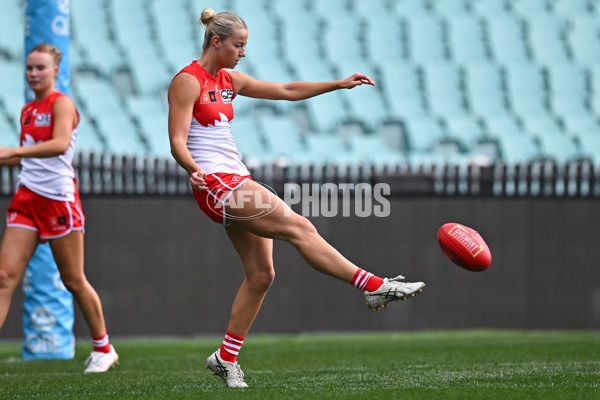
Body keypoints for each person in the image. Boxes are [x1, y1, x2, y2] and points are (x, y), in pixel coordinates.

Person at [168, 8, 425, 388]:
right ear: (216, 41)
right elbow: (176, 140)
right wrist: (193, 168)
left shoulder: (229, 80)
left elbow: (286, 91)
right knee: (299, 225)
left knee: (261, 275)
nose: (243, 52)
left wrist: (337, 84)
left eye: (245, 46)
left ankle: (225, 358)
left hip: (234, 178)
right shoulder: (187, 81)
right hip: (217, 184)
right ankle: (374, 286)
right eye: (238, 45)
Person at [0, 43, 118, 373]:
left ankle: (103, 348)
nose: (34, 74)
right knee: (4, 276)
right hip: (27, 198)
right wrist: (10, 156)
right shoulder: (27, 109)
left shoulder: (62, 104)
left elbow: (60, 144)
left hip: (58, 200)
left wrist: (10, 152)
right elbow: (26, 156)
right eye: (29, 68)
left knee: (73, 279)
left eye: (40, 68)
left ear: (55, 71)